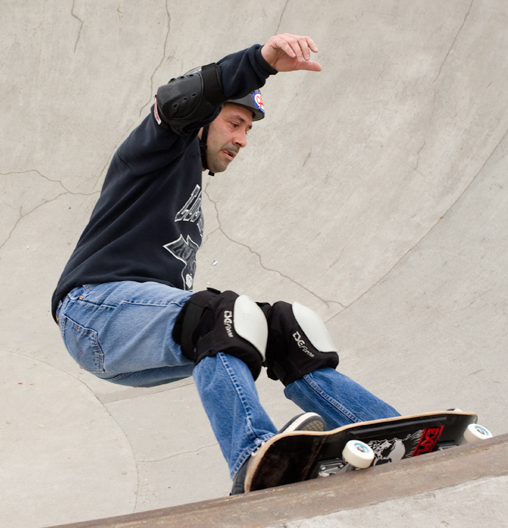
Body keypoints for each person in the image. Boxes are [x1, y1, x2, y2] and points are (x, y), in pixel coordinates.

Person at [51, 34, 399, 495]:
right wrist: (261, 62)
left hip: (138, 326)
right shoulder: (157, 149)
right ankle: (256, 455)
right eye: (235, 123)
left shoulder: (189, 179)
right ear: (200, 123)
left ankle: (386, 433)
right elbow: (180, 98)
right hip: (93, 312)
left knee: (283, 326)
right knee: (222, 316)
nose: (241, 140)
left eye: (248, 130)